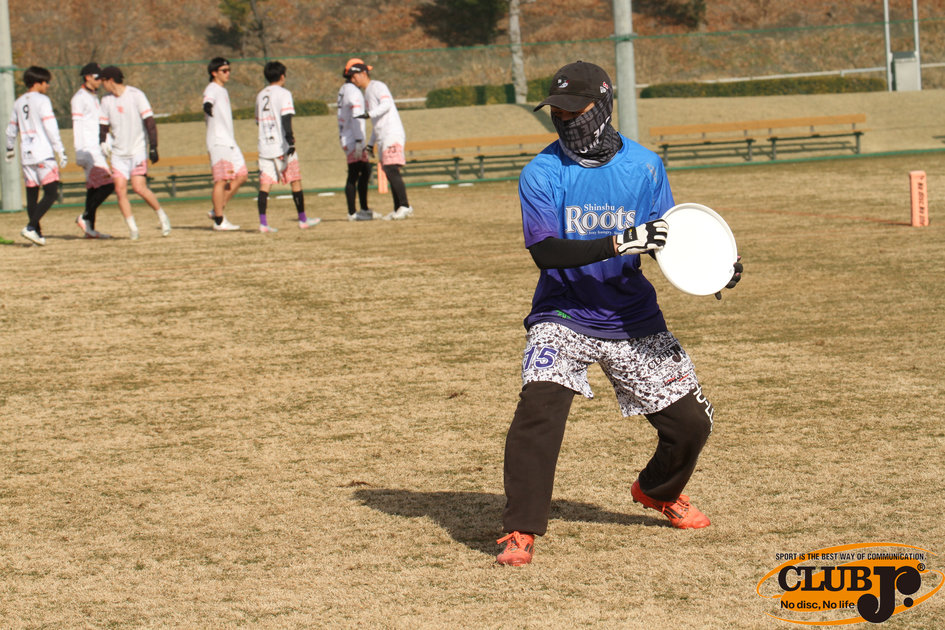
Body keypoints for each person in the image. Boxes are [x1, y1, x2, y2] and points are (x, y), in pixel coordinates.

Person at [495, 61, 743, 567]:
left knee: (692, 424)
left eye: (576, 109)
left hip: (631, 316)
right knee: (539, 409)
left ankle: (657, 490)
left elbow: (667, 238)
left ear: (604, 105)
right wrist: (619, 240)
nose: (565, 119)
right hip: (563, 313)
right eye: (558, 111)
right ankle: (520, 528)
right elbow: (545, 252)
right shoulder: (541, 172)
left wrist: (715, 270)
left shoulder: (645, 167)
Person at [99, 65, 171, 240]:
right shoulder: (106, 100)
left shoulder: (136, 95)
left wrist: (153, 146)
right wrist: (103, 141)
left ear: (110, 80)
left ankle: (162, 216)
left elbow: (149, 122)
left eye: (103, 81)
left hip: (137, 150)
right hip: (118, 154)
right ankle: (133, 228)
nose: (102, 84)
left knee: (139, 188)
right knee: (120, 190)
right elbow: (103, 125)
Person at [254, 60, 320, 233]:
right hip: (281, 146)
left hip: (264, 147)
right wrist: (290, 140)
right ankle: (303, 220)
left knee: (265, 186)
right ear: (282, 76)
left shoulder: (260, 95)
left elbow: (258, 121)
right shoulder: (284, 93)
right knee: (295, 181)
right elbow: (286, 117)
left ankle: (263, 224)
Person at [4, 65, 67, 246]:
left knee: (32, 195)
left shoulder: (18, 102)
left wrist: (10, 148)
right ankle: (31, 227)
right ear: (38, 82)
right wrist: (60, 149)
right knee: (51, 193)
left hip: (26, 154)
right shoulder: (42, 100)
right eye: (46, 82)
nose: (48, 85)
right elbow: (50, 126)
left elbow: (11, 128)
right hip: (43, 153)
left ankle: (36, 235)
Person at [349, 61, 413, 221]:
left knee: (391, 168)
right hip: (383, 135)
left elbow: (386, 104)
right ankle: (398, 208)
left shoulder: (377, 86)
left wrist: (368, 114)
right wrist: (371, 144)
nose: (352, 80)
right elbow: (376, 122)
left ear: (363, 74)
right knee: (389, 170)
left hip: (392, 133)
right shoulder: (367, 93)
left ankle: (405, 206)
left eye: (354, 76)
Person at [71, 62, 115, 238]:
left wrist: (107, 142)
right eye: (97, 78)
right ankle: (85, 216)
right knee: (108, 184)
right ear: (88, 77)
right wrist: (79, 150)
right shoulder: (79, 98)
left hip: (97, 148)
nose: (100, 81)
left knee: (93, 188)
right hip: (88, 150)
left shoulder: (95, 97)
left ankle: (89, 227)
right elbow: (77, 125)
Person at [202, 57, 245, 231]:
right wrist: (207, 106)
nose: (228, 73)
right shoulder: (212, 88)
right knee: (221, 180)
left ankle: (216, 210)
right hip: (218, 141)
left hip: (229, 141)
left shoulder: (223, 90)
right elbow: (208, 100)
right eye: (224, 71)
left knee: (242, 175)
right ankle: (219, 221)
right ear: (214, 73)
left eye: (229, 70)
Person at [338, 59, 378, 221]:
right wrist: (360, 140)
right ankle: (353, 212)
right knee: (355, 174)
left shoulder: (344, 89)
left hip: (347, 137)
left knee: (364, 171)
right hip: (353, 138)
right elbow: (357, 116)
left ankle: (363, 209)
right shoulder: (354, 92)